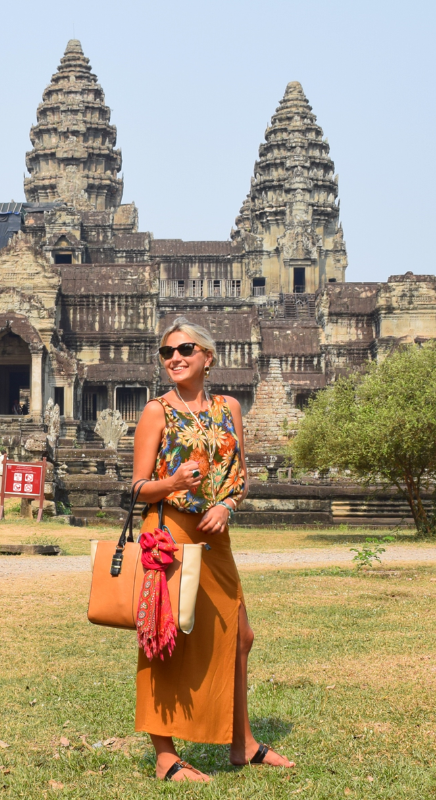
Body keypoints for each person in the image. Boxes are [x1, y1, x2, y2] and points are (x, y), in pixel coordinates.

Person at [130, 318, 294, 782]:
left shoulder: (229, 409)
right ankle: (165, 755)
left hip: (215, 534)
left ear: (208, 356)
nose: (175, 358)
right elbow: (139, 487)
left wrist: (226, 505)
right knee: (164, 638)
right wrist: (173, 482)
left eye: (185, 349)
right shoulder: (156, 411)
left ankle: (241, 742)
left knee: (240, 636)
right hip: (169, 533)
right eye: (166, 353)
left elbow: (240, 478)